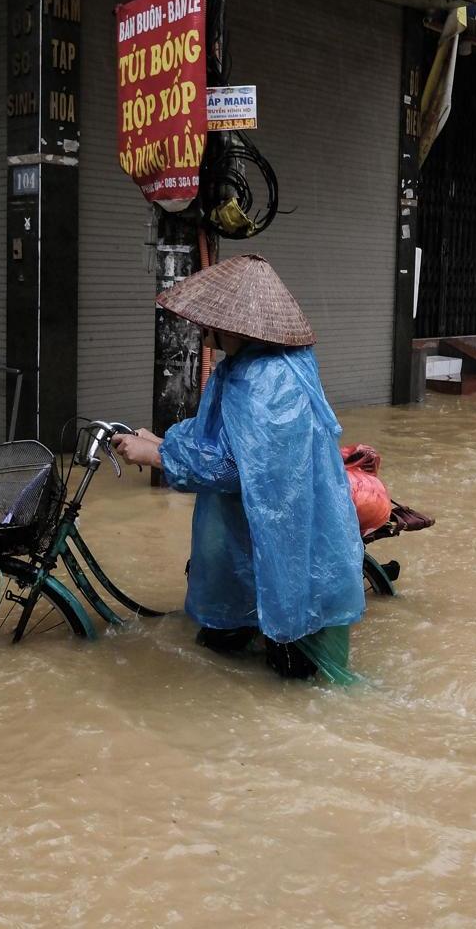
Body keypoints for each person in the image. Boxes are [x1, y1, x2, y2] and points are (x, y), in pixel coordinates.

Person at [111, 255, 365, 683]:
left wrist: (158, 458)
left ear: (233, 327)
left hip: (285, 537)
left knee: (296, 679)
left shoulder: (268, 382)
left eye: (208, 324)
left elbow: (237, 469)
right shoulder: (244, 368)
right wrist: (164, 440)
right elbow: (218, 434)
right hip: (251, 530)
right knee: (232, 650)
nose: (201, 332)